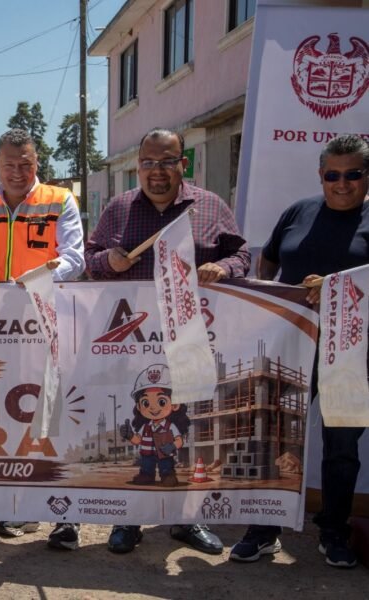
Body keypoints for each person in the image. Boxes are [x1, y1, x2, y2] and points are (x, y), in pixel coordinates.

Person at [85, 126, 250, 556]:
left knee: (188, 430)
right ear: (138, 166)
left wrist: (224, 270)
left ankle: (186, 522)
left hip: (192, 340)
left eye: (167, 162)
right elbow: (89, 261)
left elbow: (243, 256)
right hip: (131, 344)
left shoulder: (208, 207)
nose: (157, 172)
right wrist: (109, 260)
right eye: (148, 163)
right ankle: (128, 518)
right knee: (136, 434)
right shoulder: (119, 209)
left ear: (183, 163)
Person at [229, 134, 369, 568]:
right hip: (293, 344)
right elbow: (268, 259)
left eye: (353, 174)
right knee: (274, 436)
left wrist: (335, 289)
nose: (341, 183)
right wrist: (272, 297)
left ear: (367, 177)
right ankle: (264, 528)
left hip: (352, 352)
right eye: (332, 174)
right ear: (320, 175)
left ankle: (333, 530)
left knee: (341, 445)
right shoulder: (299, 212)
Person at [0, 128, 86, 549]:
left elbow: (75, 258)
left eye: (26, 163)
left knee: (53, 416)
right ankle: (14, 507)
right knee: (2, 417)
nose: (18, 171)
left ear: (38, 163)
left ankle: (65, 516)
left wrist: (36, 279)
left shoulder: (59, 199)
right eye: (9, 164)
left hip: (48, 322)